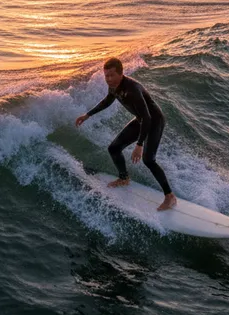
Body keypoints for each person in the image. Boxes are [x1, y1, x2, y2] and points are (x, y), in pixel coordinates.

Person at [75, 58, 176, 211]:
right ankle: (124, 178)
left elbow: (147, 118)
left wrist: (139, 145)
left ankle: (169, 196)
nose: (108, 79)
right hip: (141, 120)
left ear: (121, 74)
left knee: (148, 160)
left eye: (111, 75)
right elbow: (107, 101)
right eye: (106, 75)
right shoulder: (114, 86)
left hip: (154, 121)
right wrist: (88, 115)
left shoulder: (132, 89)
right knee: (114, 148)